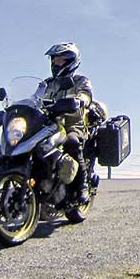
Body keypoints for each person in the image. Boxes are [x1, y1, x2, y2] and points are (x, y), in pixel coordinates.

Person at [39, 42, 94, 203]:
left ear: (71, 61)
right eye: (54, 60)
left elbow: (86, 94)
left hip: (72, 123)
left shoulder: (80, 80)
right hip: (49, 124)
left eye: (60, 60)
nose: (56, 63)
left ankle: (82, 186)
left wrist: (80, 100)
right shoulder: (47, 83)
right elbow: (35, 98)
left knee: (71, 142)